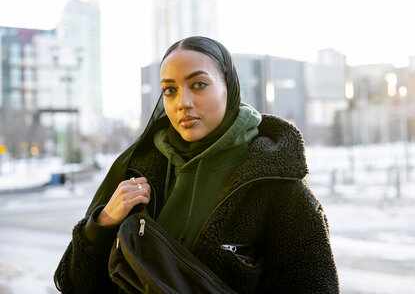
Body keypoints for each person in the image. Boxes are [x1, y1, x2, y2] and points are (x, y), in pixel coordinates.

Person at [54, 36, 340, 293]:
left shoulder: (276, 182)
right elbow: (73, 284)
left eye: (199, 85)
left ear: (228, 86)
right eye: (170, 90)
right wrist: (102, 224)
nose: (183, 102)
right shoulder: (136, 169)